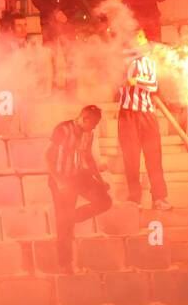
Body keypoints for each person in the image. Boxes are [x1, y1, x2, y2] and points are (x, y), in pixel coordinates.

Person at [45, 105, 112, 274]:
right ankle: (65, 264)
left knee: (105, 201)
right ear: (84, 118)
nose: (95, 127)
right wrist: (59, 180)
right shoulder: (63, 129)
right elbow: (47, 156)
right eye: (94, 123)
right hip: (60, 178)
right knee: (63, 226)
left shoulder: (89, 133)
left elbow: (88, 157)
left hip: (78, 176)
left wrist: (100, 180)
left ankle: (71, 218)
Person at [117, 29, 171, 210]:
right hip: (127, 115)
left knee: (154, 157)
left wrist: (134, 80)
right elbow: (117, 83)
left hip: (147, 114)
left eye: (143, 40)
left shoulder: (149, 63)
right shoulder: (122, 62)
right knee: (130, 159)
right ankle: (134, 199)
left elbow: (152, 85)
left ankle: (159, 198)